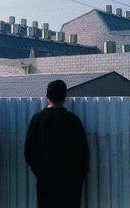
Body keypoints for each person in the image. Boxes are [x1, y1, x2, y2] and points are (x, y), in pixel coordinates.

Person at [24, 80, 90, 208]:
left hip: (45, 182)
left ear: (47, 96)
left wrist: (40, 172)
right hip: (70, 185)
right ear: (64, 97)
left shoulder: (37, 119)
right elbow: (83, 155)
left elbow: (28, 152)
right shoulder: (73, 121)